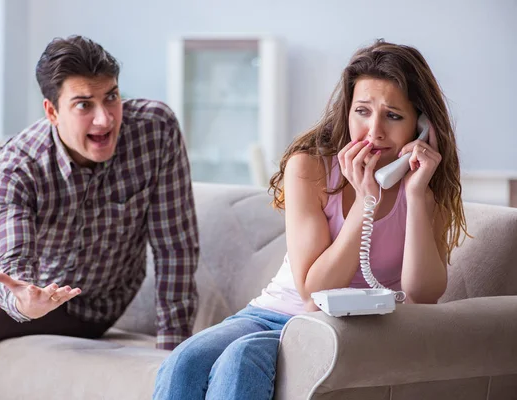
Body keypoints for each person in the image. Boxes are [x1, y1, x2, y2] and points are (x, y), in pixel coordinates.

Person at [153, 39, 469, 400]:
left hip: (349, 325)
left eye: (393, 116)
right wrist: (365, 202)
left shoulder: (424, 189)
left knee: (242, 358)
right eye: (362, 111)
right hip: (273, 314)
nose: (374, 131)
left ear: (421, 125)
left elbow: (423, 295)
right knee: (186, 360)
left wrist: (412, 196)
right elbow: (309, 288)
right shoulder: (310, 168)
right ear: (347, 111)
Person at [0, 35, 199, 399]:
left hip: (81, 296)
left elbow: (175, 246)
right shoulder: (15, 166)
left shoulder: (156, 130)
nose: (105, 118)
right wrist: (22, 301)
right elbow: (12, 262)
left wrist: (173, 354)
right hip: (9, 266)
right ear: (52, 112)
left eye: (111, 97)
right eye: (84, 104)